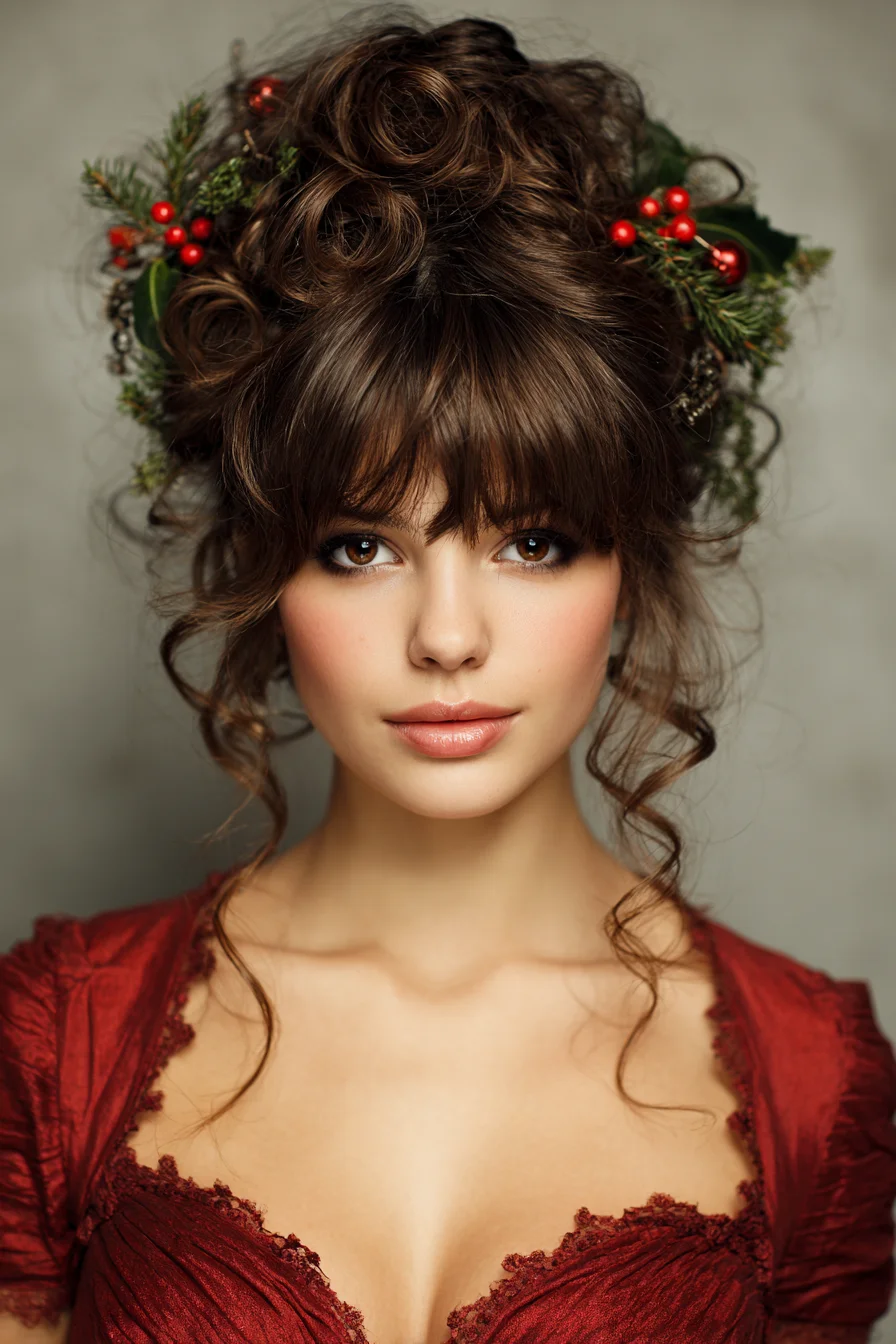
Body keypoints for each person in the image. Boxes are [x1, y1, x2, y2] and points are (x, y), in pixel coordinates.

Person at [1, 10, 894, 1344]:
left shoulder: (812, 1082)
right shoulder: (60, 1041)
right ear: (265, 567)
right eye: (359, 545)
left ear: (631, 562)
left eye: (534, 541)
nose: (448, 635)